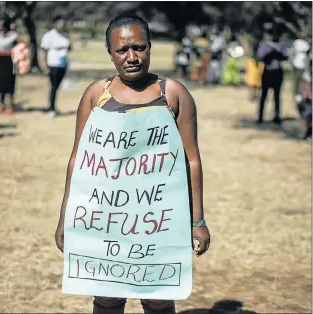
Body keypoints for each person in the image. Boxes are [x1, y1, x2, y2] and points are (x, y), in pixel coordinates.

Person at [55, 15, 210, 314]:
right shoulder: (95, 95)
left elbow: (192, 160)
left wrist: (198, 221)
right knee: (107, 297)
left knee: (158, 298)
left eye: (139, 48)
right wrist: (66, 216)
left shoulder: (173, 94)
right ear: (109, 52)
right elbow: (78, 159)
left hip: (158, 220)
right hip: (107, 219)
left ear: (150, 47)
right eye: (122, 50)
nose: (132, 57)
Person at [41, 16, 71, 117]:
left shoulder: (65, 35)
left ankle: (53, 106)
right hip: (53, 64)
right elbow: (44, 51)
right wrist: (45, 66)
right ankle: (51, 108)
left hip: (63, 64)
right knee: (53, 86)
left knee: (57, 87)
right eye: (60, 24)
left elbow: (70, 48)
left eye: (63, 24)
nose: (62, 26)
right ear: (55, 24)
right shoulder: (49, 35)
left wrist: (69, 37)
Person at [256, 29, 289, 124]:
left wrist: (277, 53)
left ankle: (277, 116)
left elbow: (285, 57)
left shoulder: (282, 45)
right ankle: (260, 116)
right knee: (263, 95)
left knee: (277, 96)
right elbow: (260, 57)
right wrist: (270, 53)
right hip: (267, 71)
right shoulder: (265, 45)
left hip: (277, 72)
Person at [0, 19, 18, 115]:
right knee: (0, 84)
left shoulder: (13, 36)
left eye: (1, 25)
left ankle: (10, 105)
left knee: (9, 83)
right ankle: (1, 105)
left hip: (10, 61)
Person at [244, 30, 264, 101]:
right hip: (258, 63)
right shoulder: (261, 44)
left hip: (253, 62)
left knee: (252, 81)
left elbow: (249, 52)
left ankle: (251, 96)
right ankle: (254, 96)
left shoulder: (253, 43)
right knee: (256, 81)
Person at [290, 30, 310, 101]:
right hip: (299, 64)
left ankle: (298, 94)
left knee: (299, 80)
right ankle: (297, 94)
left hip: (299, 63)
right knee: (298, 80)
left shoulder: (297, 42)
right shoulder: (300, 42)